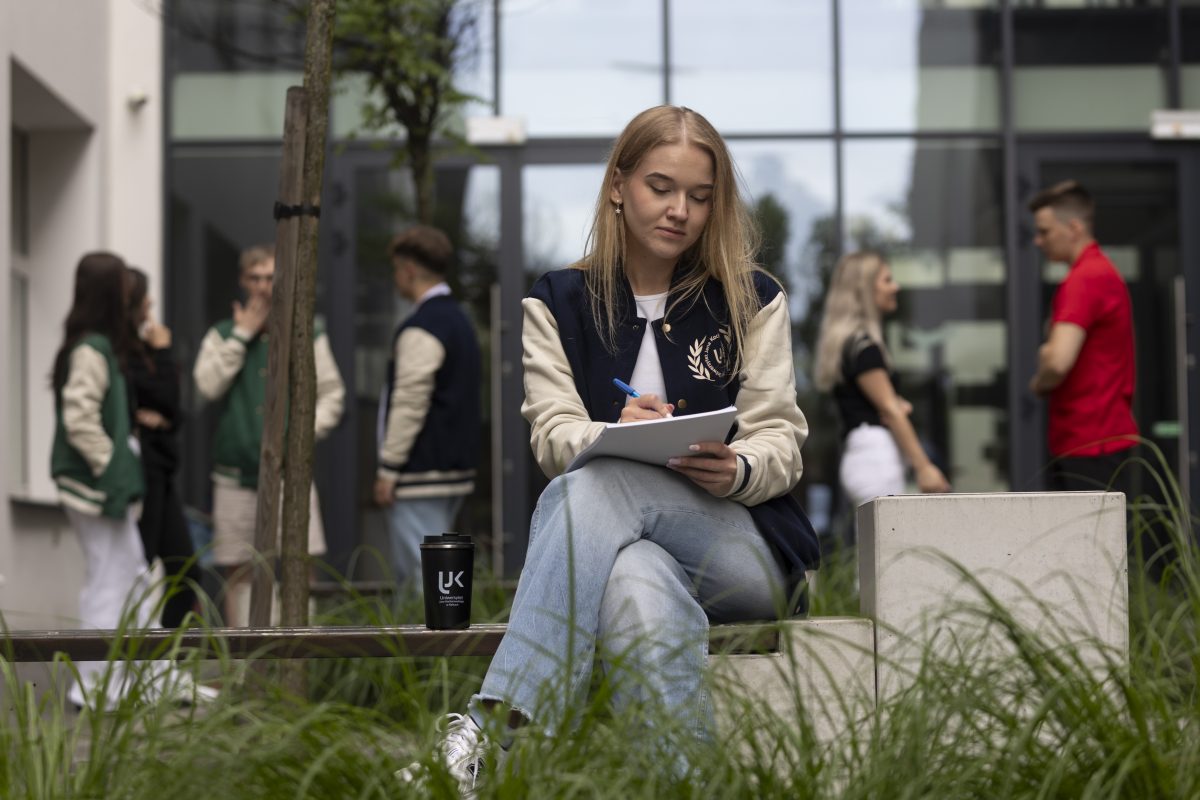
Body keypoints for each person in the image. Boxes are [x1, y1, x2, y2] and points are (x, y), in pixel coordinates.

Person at [399, 105, 819, 792]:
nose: (681, 210)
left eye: (700, 196)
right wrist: (611, 434)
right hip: (627, 547)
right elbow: (553, 435)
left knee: (596, 486)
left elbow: (783, 438)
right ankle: (686, 787)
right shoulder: (557, 302)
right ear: (618, 185)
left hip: (743, 553)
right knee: (634, 582)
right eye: (662, 186)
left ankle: (498, 732)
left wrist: (737, 467)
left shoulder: (752, 298)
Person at [193, 243, 345, 627]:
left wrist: (302, 440)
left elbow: (332, 394)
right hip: (234, 476)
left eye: (270, 277)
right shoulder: (223, 333)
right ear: (244, 282)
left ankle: (295, 663)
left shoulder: (307, 330)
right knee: (238, 573)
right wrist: (241, 336)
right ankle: (246, 671)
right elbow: (206, 387)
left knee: (298, 567)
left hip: (290, 476)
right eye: (256, 277)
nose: (263, 286)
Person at [51, 252, 150, 708]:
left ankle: (121, 679)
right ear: (113, 293)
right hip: (95, 486)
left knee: (126, 575)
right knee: (110, 580)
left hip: (98, 484)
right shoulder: (91, 349)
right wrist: (113, 467)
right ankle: (95, 685)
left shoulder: (95, 346)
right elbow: (79, 418)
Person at [373, 225, 481, 588]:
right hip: (452, 468)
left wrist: (389, 468)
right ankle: (438, 643)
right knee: (439, 575)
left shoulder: (424, 326)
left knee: (422, 580)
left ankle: (428, 647)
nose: (395, 278)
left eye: (395, 269)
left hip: (421, 471)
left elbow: (409, 401)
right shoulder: (459, 322)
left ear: (408, 270)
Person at [813, 252, 950, 509]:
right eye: (887, 280)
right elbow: (888, 409)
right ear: (866, 289)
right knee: (888, 545)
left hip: (866, 456)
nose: (895, 287)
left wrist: (896, 405)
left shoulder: (853, 345)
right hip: (875, 458)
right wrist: (924, 467)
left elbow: (883, 404)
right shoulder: (864, 348)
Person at [1028, 180, 1138, 491]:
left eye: (1045, 231)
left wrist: (1040, 378)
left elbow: (1058, 361)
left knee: (1085, 540)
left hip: (1089, 445)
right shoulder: (1100, 272)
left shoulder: (1085, 279)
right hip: (1096, 442)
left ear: (1074, 228)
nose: (1038, 240)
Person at [125, 267, 202, 629]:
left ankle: (167, 667)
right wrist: (164, 353)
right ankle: (132, 669)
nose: (151, 303)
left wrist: (164, 414)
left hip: (162, 471)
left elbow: (173, 408)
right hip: (142, 471)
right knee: (137, 568)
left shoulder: (145, 348)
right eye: (144, 296)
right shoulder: (121, 351)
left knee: (185, 570)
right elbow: (158, 397)